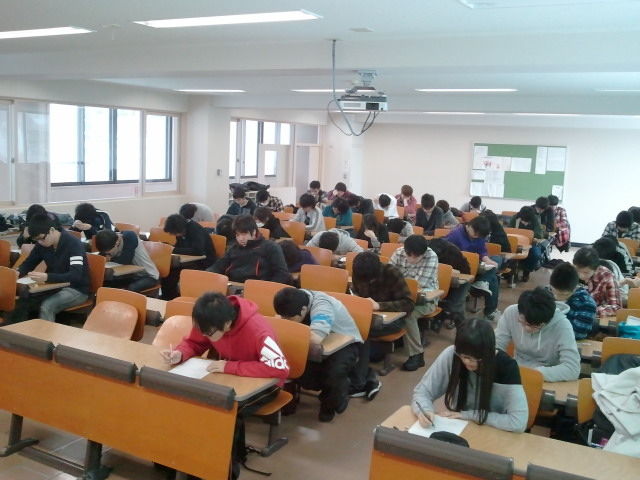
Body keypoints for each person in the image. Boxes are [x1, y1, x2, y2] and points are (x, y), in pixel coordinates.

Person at [161, 292, 289, 480]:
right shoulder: (210, 320)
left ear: (228, 324)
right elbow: (194, 342)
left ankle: (223, 472)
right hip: (232, 379)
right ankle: (182, 460)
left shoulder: (258, 330)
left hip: (267, 384)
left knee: (224, 411)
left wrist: (230, 366)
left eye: (209, 333)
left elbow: (280, 369)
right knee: (193, 403)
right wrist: (180, 353)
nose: (205, 335)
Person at [412, 318, 528, 433]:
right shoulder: (452, 355)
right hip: (459, 427)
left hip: (493, 430)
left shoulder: (507, 367)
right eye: (462, 356)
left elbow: (518, 422)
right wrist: (424, 411)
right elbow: (422, 392)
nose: (466, 362)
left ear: (488, 353)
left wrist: (468, 415)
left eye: (472, 358)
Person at [273, 287, 362, 422]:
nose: (286, 320)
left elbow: (314, 339)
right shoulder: (294, 299)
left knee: (334, 374)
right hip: (319, 343)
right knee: (298, 368)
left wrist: (284, 329)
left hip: (346, 343)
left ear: (303, 310)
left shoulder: (322, 306)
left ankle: (330, 404)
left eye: (290, 318)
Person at [8, 214, 89, 323]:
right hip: (53, 286)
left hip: (76, 289)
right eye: (36, 240)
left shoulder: (74, 244)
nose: (40, 242)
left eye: (41, 238)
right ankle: (20, 332)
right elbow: (29, 263)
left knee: (47, 306)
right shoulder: (42, 243)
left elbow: (75, 275)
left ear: (51, 230)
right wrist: (18, 272)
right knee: (24, 300)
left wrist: (47, 277)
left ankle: (46, 334)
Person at [495, 287, 581, 382]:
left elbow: (572, 368)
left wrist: (533, 373)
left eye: (535, 326)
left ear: (548, 321)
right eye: (523, 322)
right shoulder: (511, 313)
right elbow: (495, 348)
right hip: (516, 373)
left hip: (547, 378)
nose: (527, 329)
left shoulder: (562, 326)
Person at [389, 235, 439, 371]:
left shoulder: (431, 257)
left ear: (423, 253)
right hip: (401, 295)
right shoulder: (399, 252)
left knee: (408, 313)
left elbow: (417, 285)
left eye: (416, 256)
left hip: (425, 299)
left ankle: (417, 355)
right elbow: (389, 275)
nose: (411, 259)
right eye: (408, 254)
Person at [445, 216, 501, 322]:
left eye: (479, 235)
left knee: (497, 260)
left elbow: (482, 251)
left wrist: (487, 259)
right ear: (469, 225)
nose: (476, 236)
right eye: (475, 233)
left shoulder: (479, 236)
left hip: (476, 267)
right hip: (461, 268)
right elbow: (446, 253)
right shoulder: (456, 234)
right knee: (493, 279)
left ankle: (482, 282)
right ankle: (489, 311)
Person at [209, 215, 292, 285]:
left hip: (258, 288)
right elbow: (218, 266)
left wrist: (265, 289)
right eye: (238, 235)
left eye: (244, 234)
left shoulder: (270, 247)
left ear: (254, 232)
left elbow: (282, 274)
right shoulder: (233, 248)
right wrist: (208, 274)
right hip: (233, 286)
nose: (241, 238)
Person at [351, 251, 415, 339]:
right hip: (366, 315)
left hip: (391, 319)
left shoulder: (392, 273)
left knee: (362, 329)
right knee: (349, 325)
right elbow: (354, 291)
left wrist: (379, 306)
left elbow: (408, 304)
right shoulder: (359, 272)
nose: (367, 283)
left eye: (371, 281)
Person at [162, 213, 216, 299]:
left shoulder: (195, 229)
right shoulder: (181, 231)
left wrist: (172, 249)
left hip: (204, 262)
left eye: (175, 233)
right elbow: (179, 247)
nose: (175, 235)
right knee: (167, 274)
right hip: (189, 261)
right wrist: (169, 247)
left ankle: (173, 298)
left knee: (173, 275)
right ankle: (168, 299)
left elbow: (198, 251)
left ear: (179, 229)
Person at [428, 238, 472, 329]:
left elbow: (465, 272)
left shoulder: (452, 253)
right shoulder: (429, 250)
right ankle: (439, 318)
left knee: (455, 306)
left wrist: (449, 272)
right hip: (440, 279)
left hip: (461, 281)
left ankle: (463, 328)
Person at [549, 262, 597, 340]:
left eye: (563, 294)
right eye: (553, 291)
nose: (556, 297)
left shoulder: (586, 303)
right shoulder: (545, 294)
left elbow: (578, 334)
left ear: (575, 288)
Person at [572, 247, 622, 317]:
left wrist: (590, 310)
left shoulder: (606, 276)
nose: (580, 275)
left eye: (586, 272)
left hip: (594, 318)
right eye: (578, 270)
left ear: (596, 269)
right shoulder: (570, 271)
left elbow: (616, 307)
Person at [509, 206, 545, 280]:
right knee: (507, 250)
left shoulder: (535, 219)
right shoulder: (515, 218)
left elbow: (539, 234)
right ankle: (510, 272)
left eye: (527, 221)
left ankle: (526, 271)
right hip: (517, 243)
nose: (525, 222)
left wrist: (532, 236)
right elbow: (509, 231)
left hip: (531, 244)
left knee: (536, 254)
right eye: (523, 220)